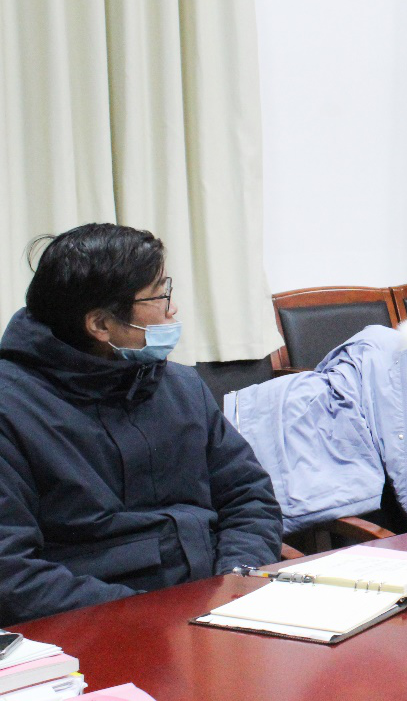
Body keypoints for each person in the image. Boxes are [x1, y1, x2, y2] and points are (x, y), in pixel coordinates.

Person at [0, 224, 282, 625]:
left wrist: (236, 580)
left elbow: (249, 496)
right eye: (159, 295)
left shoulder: (180, 386)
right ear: (101, 325)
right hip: (98, 627)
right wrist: (154, 619)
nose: (173, 308)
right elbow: (12, 573)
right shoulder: (12, 409)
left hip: (217, 606)